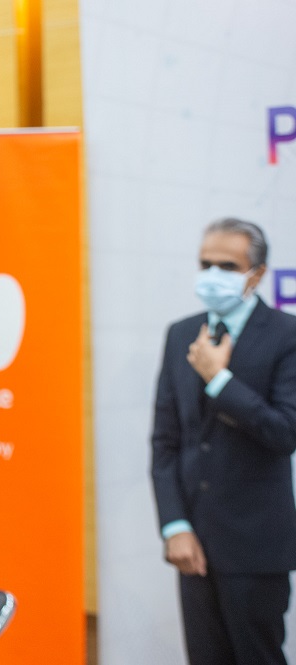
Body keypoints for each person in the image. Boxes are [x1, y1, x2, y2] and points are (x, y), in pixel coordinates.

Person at [151, 217, 296, 665]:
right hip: (193, 543)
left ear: (257, 273)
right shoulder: (181, 333)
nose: (213, 275)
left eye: (227, 266)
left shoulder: (286, 335)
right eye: (205, 263)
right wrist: (175, 526)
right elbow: (165, 442)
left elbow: (284, 432)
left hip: (255, 546)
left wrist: (219, 378)